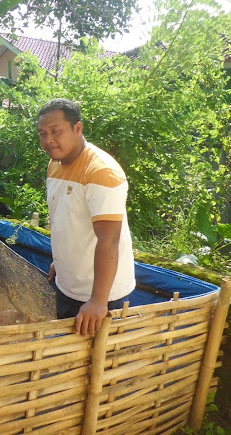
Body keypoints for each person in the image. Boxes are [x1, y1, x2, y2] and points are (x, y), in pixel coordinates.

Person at [37, 98, 135, 336]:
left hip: (101, 294)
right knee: (68, 357)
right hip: (68, 284)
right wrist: (60, 261)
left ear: (77, 129)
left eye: (56, 131)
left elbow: (108, 240)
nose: (48, 140)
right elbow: (65, 218)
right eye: (43, 133)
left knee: (97, 363)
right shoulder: (55, 165)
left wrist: (98, 302)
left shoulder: (101, 172)